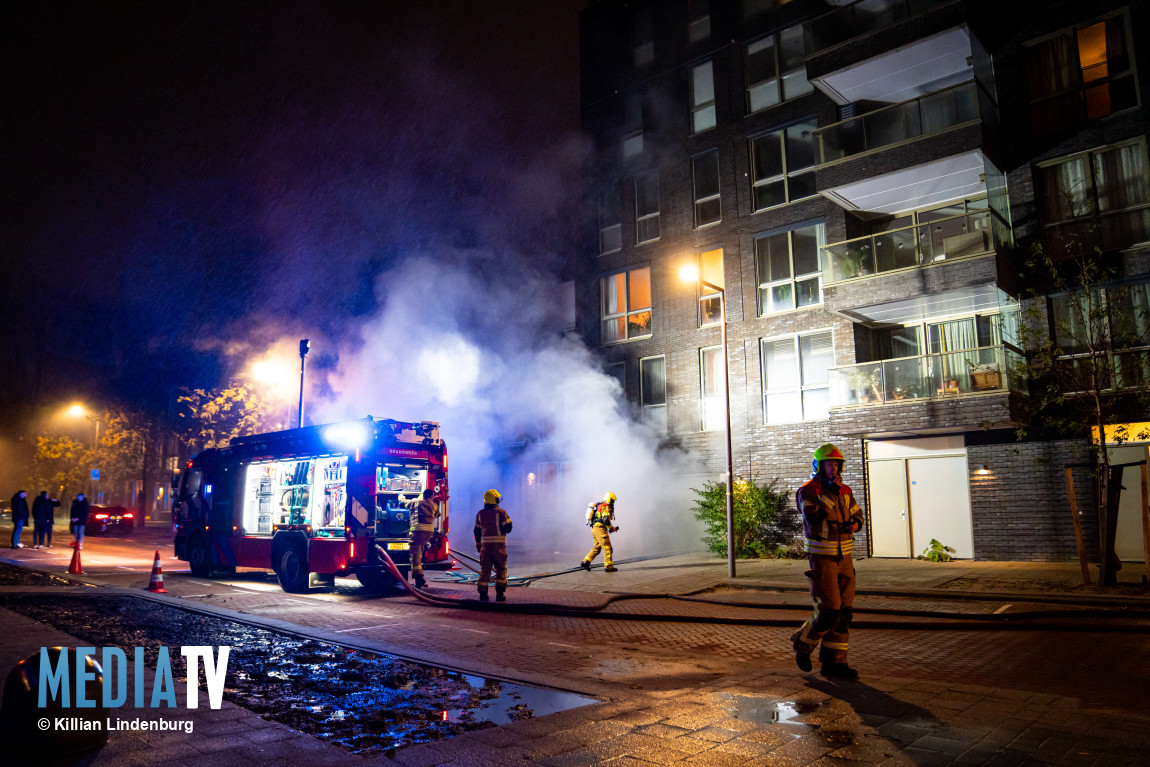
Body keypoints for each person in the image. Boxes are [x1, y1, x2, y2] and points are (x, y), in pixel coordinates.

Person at [791, 444, 864, 679]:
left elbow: (857, 513)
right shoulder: (808, 490)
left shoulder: (845, 490)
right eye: (829, 464)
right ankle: (802, 644)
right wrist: (831, 493)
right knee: (829, 610)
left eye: (836, 464)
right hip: (822, 558)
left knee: (845, 613)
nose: (833, 468)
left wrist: (856, 523)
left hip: (845, 557)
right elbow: (813, 515)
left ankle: (835, 663)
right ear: (819, 466)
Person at [473, 488, 512, 602]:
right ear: (495, 499)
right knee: (500, 569)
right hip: (498, 547)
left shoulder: (480, 513)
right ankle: (500, 595)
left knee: (485, 570)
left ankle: (483, 595)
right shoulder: (501, 512)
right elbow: (508, 528)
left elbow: (476, 531)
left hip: (485, 548)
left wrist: (479, 545)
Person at [402, 488, 439, 589]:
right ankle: (419, 577)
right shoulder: (434, 505)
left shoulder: (415, 502)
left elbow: (405, 503)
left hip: (418, 531)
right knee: (420, 551)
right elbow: (437, 515)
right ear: (431, 496)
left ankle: (419, 577)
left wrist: (400, 495)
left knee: (415, 554)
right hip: (428, 532)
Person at [580, 491, 618, 573]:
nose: (613, 503)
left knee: (597, 548)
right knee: (607, 547)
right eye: (612, 501)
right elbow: (605, 520)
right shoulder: (606, 506)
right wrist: (611, 528)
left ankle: (585, 562)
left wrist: (612, 528)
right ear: (609, 500)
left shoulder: (600, 505)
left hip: (595, 528)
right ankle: (609, 567)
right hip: (600, 529)